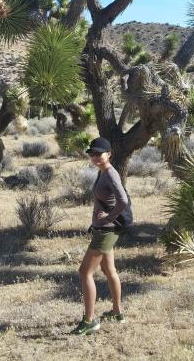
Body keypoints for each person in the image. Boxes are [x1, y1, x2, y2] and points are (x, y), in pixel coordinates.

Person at [71, 137, 129, 335]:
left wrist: (108, 217)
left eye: (99, 153)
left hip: (106, 231)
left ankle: (89, 321)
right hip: (105, 230)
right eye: (92, 153)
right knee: (109, 269)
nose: (95, 157)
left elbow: (123, 201)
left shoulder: (111, 174)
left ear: (109, 153)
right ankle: (117, 312)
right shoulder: (102, 172)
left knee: (85, 272)